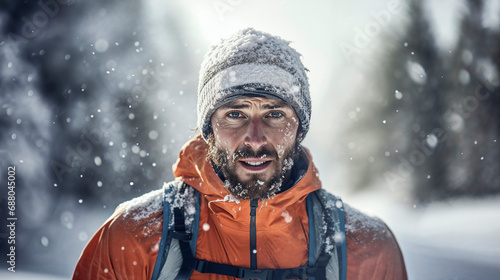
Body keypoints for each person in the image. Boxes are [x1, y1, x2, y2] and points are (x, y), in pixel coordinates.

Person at [73, 28, 407, 280]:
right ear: (209, 128)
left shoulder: (367, 248)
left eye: (275, 114)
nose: (256, 139)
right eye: (235, 114)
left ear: (299, 129)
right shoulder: (133, 238)